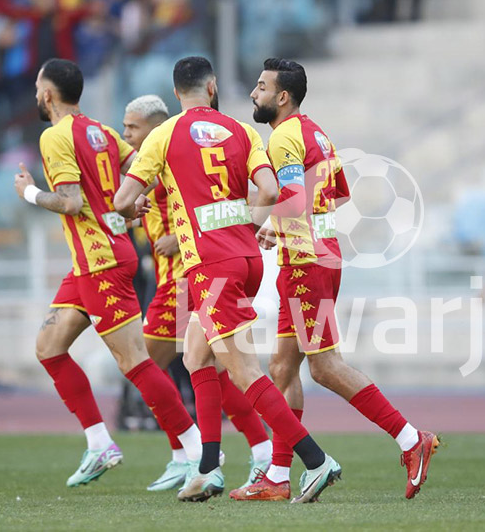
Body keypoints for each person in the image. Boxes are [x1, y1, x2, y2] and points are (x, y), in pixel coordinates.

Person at [114, 56, 342, 504]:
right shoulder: (243, 130)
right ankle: (208, 468)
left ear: (176, 92)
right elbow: (271, 192)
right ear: (213, 87)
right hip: (248, 258)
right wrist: (241, 222)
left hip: (210, 265)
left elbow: (125, 199)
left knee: (244, 370)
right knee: (197, 356)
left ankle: (316, 459)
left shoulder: (163, 134)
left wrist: (132, 209)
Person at [228, 58, 439, 502]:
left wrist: (271, 223)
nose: (254, 93)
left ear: (282, 97)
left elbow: (295, 197)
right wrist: (287, 224)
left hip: (306, 263)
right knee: (283, 367)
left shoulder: (284, 136)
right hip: (313, 256)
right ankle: (279, 477)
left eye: (261, 87)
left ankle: (409, 439)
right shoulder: (316, 133)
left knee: (324, 367)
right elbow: (337, 193)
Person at [12, 58, 203, 488]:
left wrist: (28, 192)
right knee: (49, 346)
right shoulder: (100, 131)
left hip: (102, 262)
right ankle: (99, 443)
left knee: (135, 361)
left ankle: (197, 451)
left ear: (47, 94)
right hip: (90, 262)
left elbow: (71, 203)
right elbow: (146, 172)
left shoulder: (55, 136)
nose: (36, 96)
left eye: (37, 89)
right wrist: (132, 208)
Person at [121, 93, 273, 492]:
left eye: (132, 128)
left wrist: (171, 237)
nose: (127, 135)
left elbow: (207, 206)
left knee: (144, 361)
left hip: (185, 281)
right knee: (211, 370)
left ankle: (189, 451)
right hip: (184, 278)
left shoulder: (168, 157)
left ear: (154, 128)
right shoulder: (147, 165)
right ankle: (253, 450)